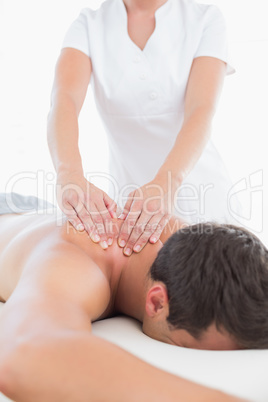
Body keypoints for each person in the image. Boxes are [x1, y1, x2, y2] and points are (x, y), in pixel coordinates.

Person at [0, 192, 267, 401]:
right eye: (187, 347)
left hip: (34, 211)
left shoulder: (190, 245)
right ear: (157, 302)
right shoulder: (73, 268)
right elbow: (23, 355)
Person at [47, 0, 242, 258]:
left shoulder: (205, 18)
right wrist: (68, 174)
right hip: (133, 212)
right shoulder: (88, 25)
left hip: (204, 192)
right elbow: (64, 102)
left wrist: (166, 183)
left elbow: (201, 111)